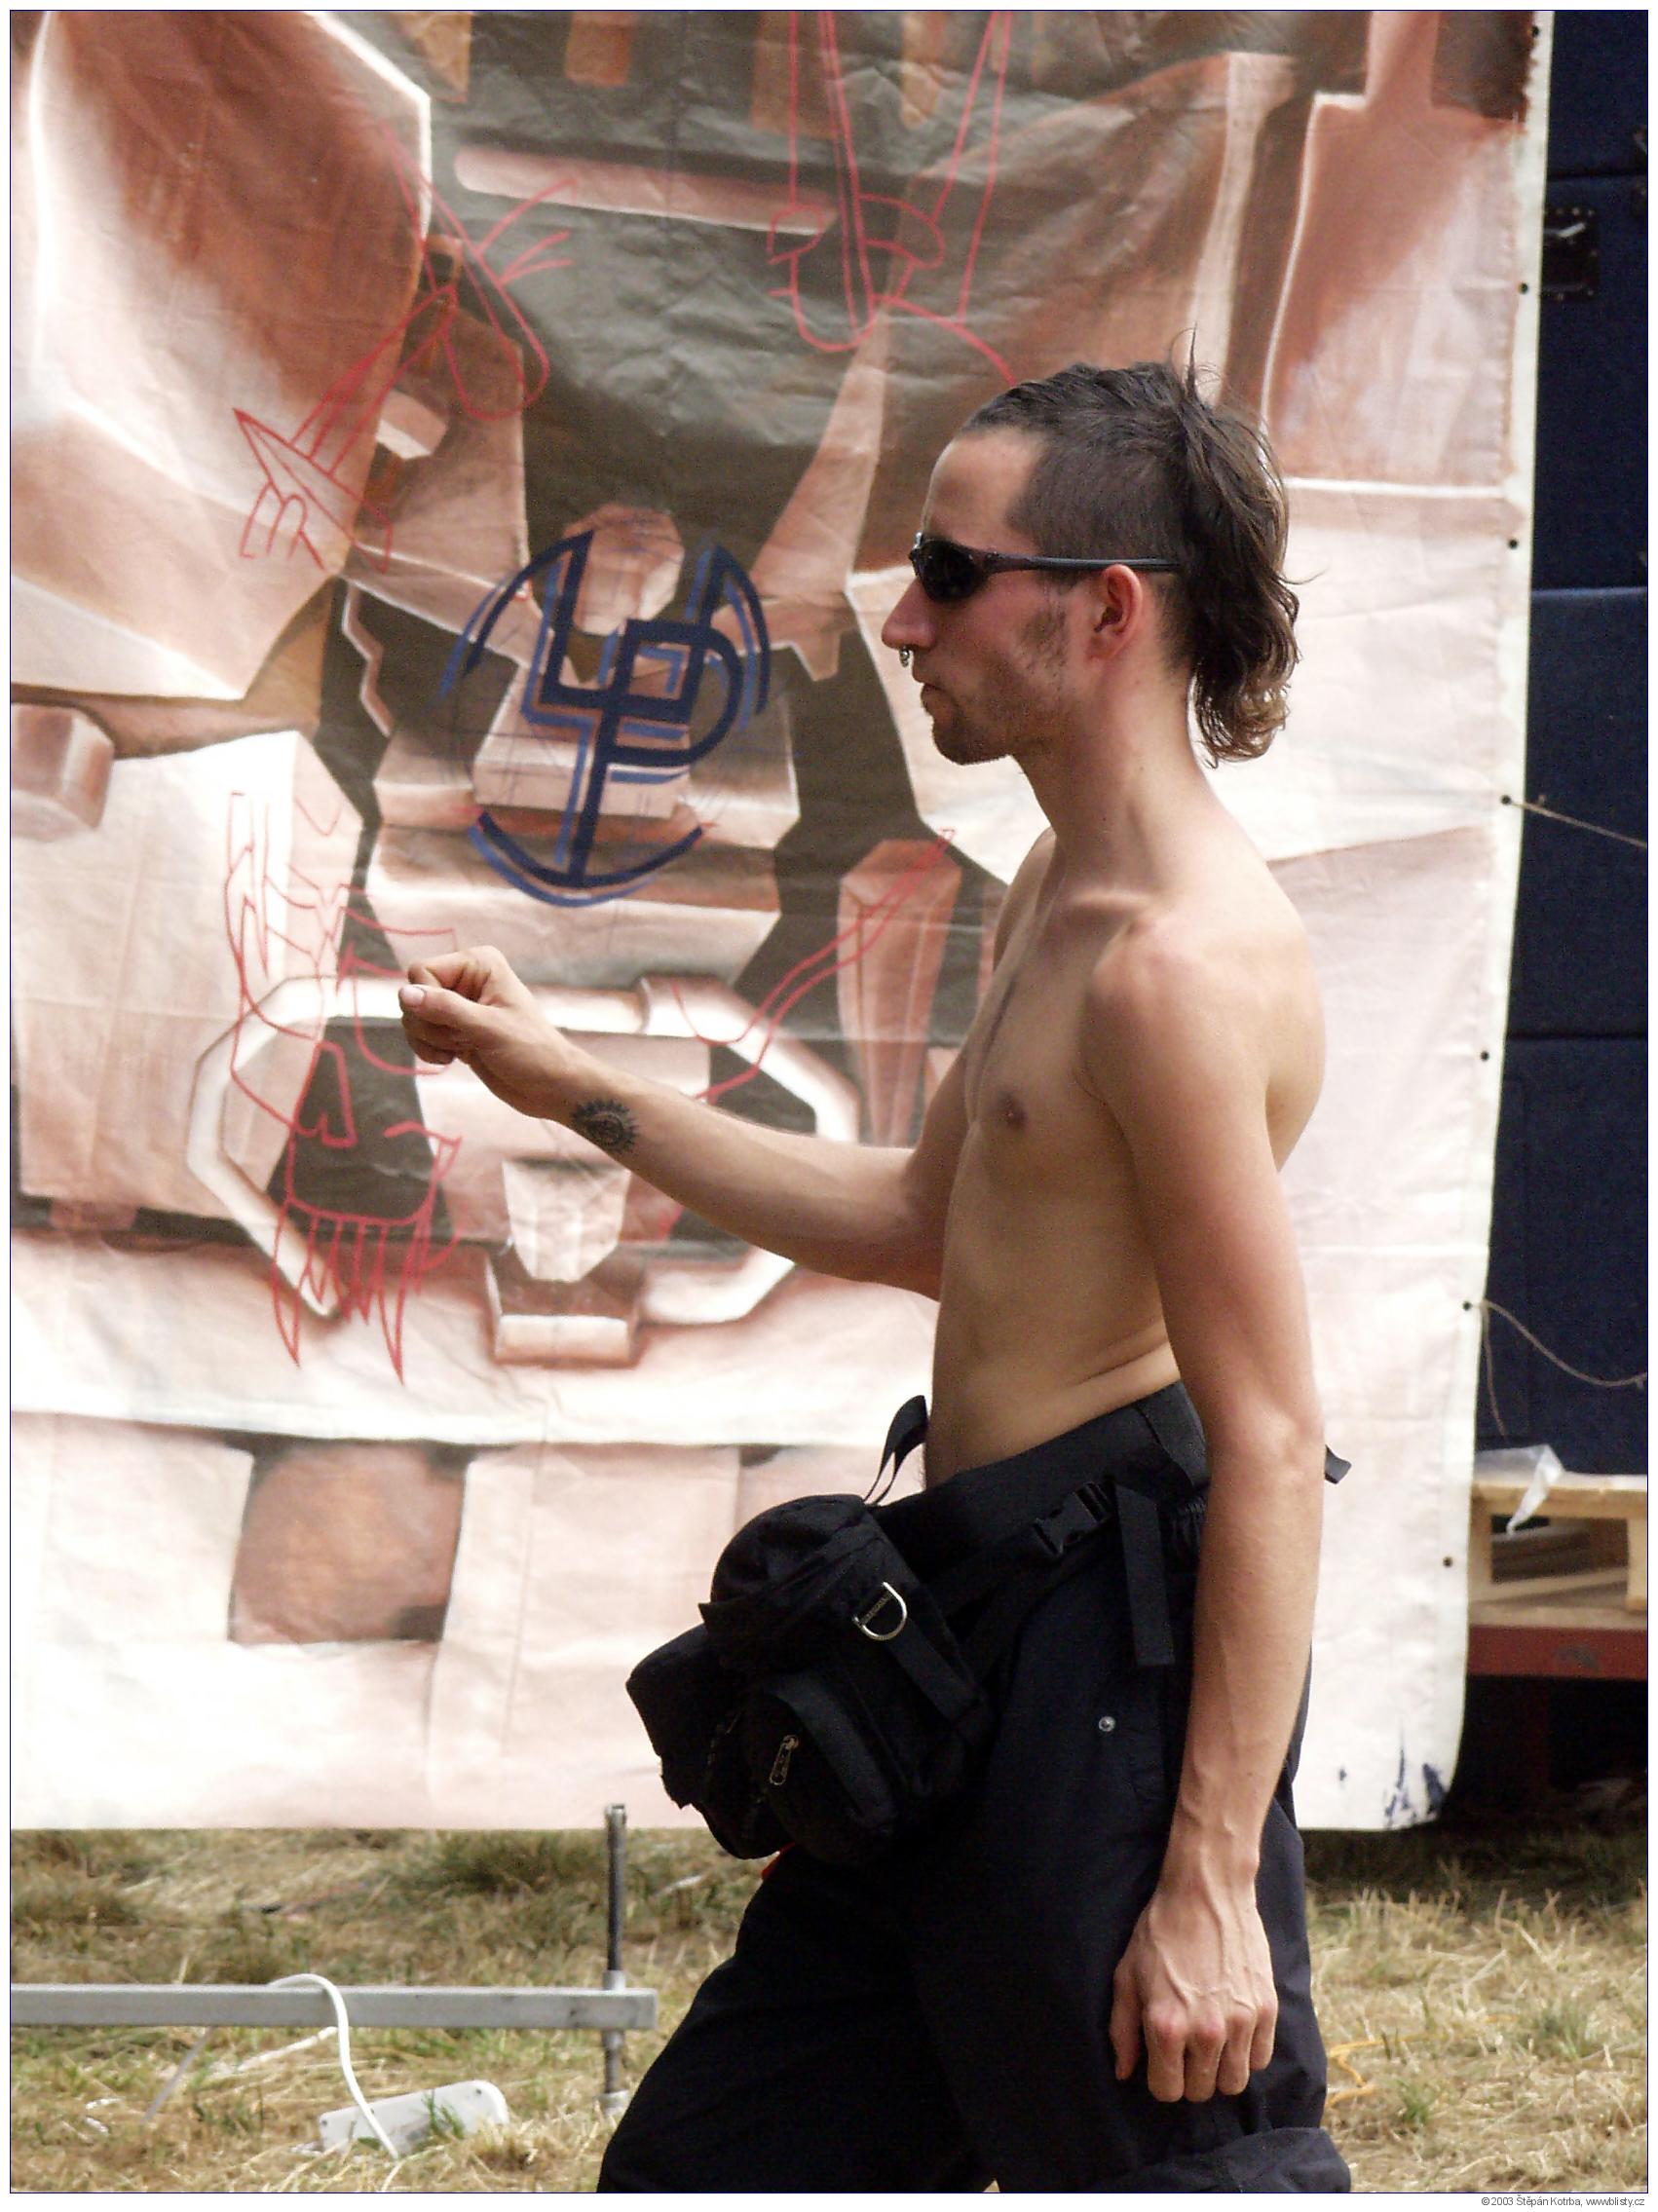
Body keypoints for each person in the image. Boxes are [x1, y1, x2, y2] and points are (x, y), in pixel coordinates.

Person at [397, 356, 1351, 2192]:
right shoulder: (1053, 889)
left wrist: (1208, 1881)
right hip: (956, 1621)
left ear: (1106, 610)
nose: (901, 620)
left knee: (1152, 2165)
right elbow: (922, 1221)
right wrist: (570, 1082)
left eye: (946, 571)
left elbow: (1264, 1436)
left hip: (1103, 1668)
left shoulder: (1173, 967)